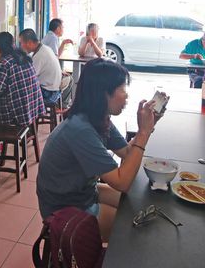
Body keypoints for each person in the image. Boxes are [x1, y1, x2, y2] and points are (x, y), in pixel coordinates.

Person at [36, 58, 162, 241]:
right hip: (62, 208)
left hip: (83, 193)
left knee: (137, 204)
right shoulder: (80, 129)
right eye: (122, 89)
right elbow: (122, 182)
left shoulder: (98, 118)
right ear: (103, 94)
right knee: (133, 228)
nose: (126, 95)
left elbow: (127, 153)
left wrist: (147, 128)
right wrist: (143, 133)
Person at [19, 29, 62, 105]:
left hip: (48, 93)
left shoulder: (39, 55)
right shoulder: (45, 48)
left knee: (19, 91)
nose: (21, 46)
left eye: (21, 43)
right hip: (54, 89)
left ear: (29, 43)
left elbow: (29, 78)